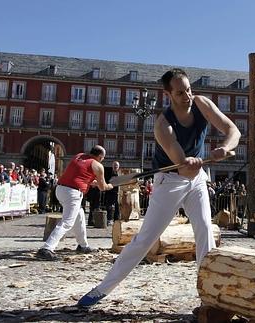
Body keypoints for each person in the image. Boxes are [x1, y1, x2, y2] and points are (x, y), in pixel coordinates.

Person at [78, 68, 240, 307]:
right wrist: (191, 163)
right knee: (145, 239)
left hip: (195, 180)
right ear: (168, 95)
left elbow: (233, 130)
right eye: (180, 92)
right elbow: (183, 167)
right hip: (170, 180)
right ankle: (101, 289)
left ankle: (209, 295)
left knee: (205, 229)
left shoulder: (201, 103)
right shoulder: (163, 126)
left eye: (188, 89)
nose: (187, 96)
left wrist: (225, 148)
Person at [36, 145, 114, 261]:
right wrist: (110, 186)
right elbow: (103, 187)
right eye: (103, 158)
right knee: (67, 222)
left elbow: (80, 176)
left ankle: (83, 245)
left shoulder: (79, 156)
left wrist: (92, 183)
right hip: (73, 193)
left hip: (61, 189)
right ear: (100, 156)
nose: (103, 160)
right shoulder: (98, 165)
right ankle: (47, 248)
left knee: (80, 215)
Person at [104, 161, 121, 225]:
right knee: (109, 207)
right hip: (110, 192)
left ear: (118, 167)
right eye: (114, 165)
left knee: (117, 207)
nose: (115, 166)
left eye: (116, 165)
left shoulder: (120, 174)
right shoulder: (108, 173)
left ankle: (116, 220)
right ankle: (109, 219)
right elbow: (106, 181)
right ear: (112, 166)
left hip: (117, 193)